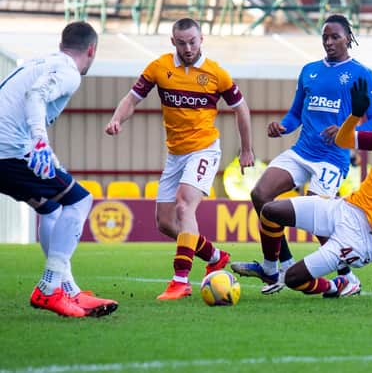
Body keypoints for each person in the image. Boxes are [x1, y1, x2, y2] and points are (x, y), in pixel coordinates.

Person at [230, 14, 372, 296]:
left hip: (333, 158)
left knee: (317, 216)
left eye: (335, 36)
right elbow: (295, 114)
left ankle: (347, 276)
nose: (328, 42)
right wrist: (282, 126)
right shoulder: (309, 71)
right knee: (260, 195)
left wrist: (344, 129)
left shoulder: (362, 74)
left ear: (348, 37)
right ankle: (273, 266)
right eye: (325, 37)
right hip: (302, 151)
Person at [242, 81, 372, 298]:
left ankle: (338, 285)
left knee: (292, 278)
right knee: (270, 211)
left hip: (363, 236)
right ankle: (271, 270)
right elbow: (343, 139)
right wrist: (355, 115)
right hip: (344, 208)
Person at [105, 18, 254, 300]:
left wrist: (246, 149)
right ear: (173, 41)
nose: (188, 48)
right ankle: (214, 255)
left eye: (193, 41)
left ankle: (180, 280)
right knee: (164, 223)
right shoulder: (159, 68)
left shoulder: (216, 74)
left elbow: (241, 109)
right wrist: (116, 119)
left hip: (204, 149)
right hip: (175, 154)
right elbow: (132, 99)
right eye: (182, 42)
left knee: (185, 207)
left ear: (202, 39)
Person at [0, 21, 118, 317]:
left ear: (61, 43)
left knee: (51, 209)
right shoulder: (68, 72)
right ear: (92, 49)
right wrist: (40, 141)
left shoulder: (41, 62)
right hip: (9, 152)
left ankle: (69, 290)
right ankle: (48, 288)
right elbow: (35, 96)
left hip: (9, 150)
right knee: (80, 200)